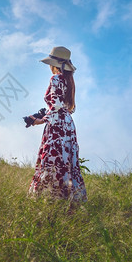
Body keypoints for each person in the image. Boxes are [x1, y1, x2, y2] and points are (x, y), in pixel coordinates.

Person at [28, 46, 87, 202]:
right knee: (67, 161)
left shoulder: (55, 79)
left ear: (55, 64)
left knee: (51, 160)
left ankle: (49, 199)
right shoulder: (70, 81)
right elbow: (67, 108)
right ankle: (69, 199)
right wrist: (44, 115)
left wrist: (38, 121)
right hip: (68, 125)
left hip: (57, 126)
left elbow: (55, 107)